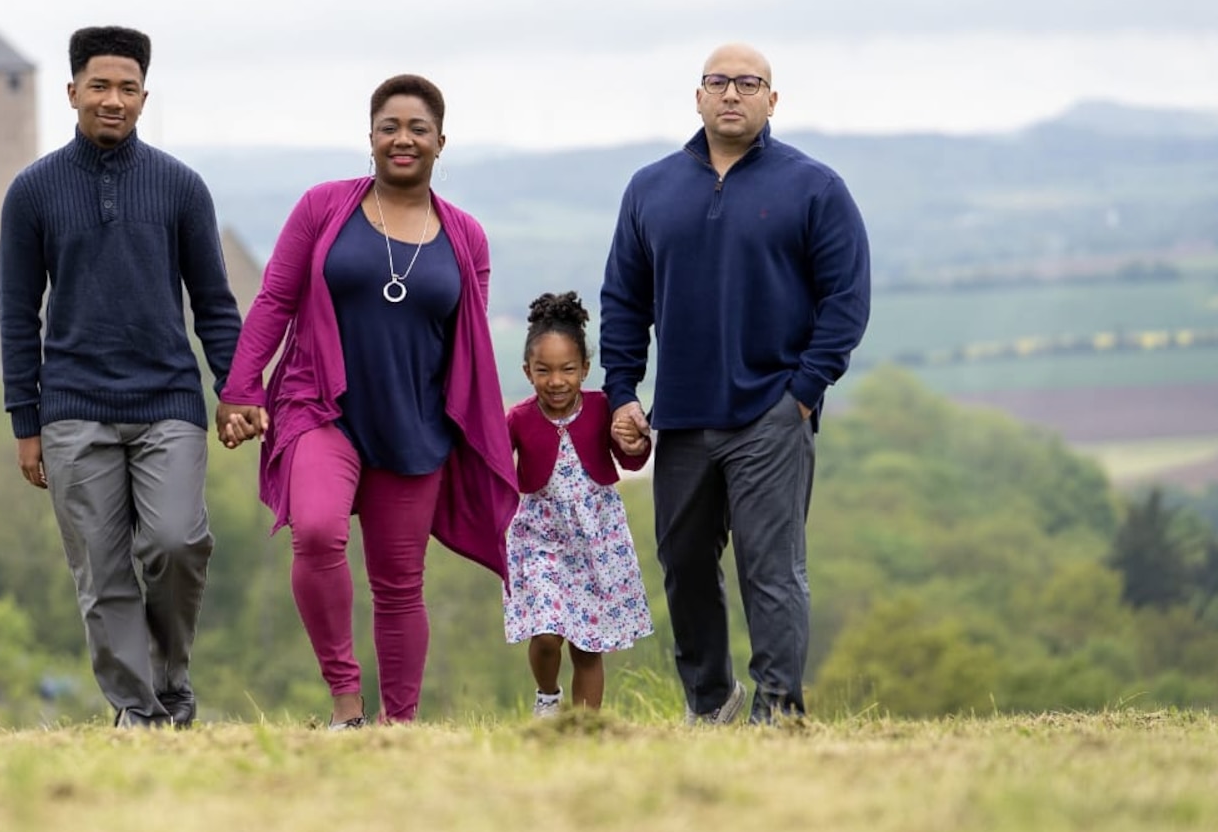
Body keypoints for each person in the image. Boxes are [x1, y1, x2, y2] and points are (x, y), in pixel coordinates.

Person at [217, 74, 519, 728]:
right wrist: (242, 386)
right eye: (389, 127)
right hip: (319, 404)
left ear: (441, 141)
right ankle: (347, 703)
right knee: (318, 529)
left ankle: (398, 726)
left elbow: (462, 342)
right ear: (371, 137)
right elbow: (273, 300)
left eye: (417, 128)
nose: (402, 139)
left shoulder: (466, 238)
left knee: (399, 583)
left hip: (414, 426)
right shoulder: (324, 207)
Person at [599, 43, 871, 724]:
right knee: (684, 566)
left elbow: (846, 299)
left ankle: (778, 711)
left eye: (748, 83)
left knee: (770, 572)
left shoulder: (814, 187)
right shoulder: (650, 188)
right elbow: (623, 300)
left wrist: (804, 392)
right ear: (697, 96)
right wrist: (622, 388)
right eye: (717, 81)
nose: (731, 93)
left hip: (771, 414)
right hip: (682, 418)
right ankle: (711, 704)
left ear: (771, 100)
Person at [0, 25, 243, 728]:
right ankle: (140, 713)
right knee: (101, 574)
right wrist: (26, 422)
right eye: (99, 86)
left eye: (127, 88)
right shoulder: (32, 192)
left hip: (168, 400)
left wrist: (235, 388)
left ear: (143, 95)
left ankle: (168, 684)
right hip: (72, 408)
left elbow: (214, 303)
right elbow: (17, 314)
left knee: (176, 542)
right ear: (71, 91)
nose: (113, 99)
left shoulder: (181, 188)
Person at [502, 291, 654, 716]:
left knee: (588, 646)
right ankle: (547, 696)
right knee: (547, 633)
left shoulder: (603, 407)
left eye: (568, 369)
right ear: (528, 372)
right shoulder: (518, 418)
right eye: (544, 370)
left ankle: (585, 728)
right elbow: (492, 470)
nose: (556, 381)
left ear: (585, 369)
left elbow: (630, 456)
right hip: (539, 539)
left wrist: (637, 442)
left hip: (596, 539)